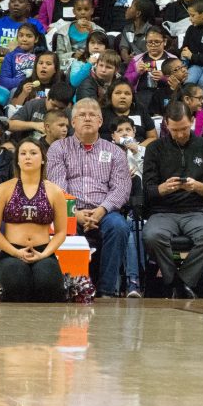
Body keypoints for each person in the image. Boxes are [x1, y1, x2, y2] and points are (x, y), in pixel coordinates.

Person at [46, 99, 134, 298]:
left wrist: (101, 210)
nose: (87, 118)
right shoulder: (58, 148)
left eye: (92, 114)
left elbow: (121, 188)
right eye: (81, 115)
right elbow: (57, 187)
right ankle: (70, 288)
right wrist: (74, 213)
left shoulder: (115, 152)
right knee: (63, 226)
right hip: (70, 210)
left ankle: (106, 290)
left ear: (100, 122)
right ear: (73, 122)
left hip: (104, 211)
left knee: (119, 227)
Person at [141, 101, 203, 298]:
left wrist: (199, 187)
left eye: (184, 129)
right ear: (166, 125)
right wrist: (162, 189)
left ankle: (180, 281)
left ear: (193, 122)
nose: (180, 134)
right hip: (163, 211)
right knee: (151, 236)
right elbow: (147, 191)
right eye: (174, 130)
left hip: (197, 210)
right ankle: (175, 280)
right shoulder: (155, 149)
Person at [0, 138, 69, 302]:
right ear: (17, 160)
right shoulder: (4, 189)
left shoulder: (55, 191)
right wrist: (15, 252)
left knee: (47, 282)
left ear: (43, 158)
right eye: (22, 153)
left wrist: (44, 254)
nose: (27, 157)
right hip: (11, 253)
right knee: (17, 281)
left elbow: (61, 232)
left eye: (33, 153)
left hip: (43, 252)